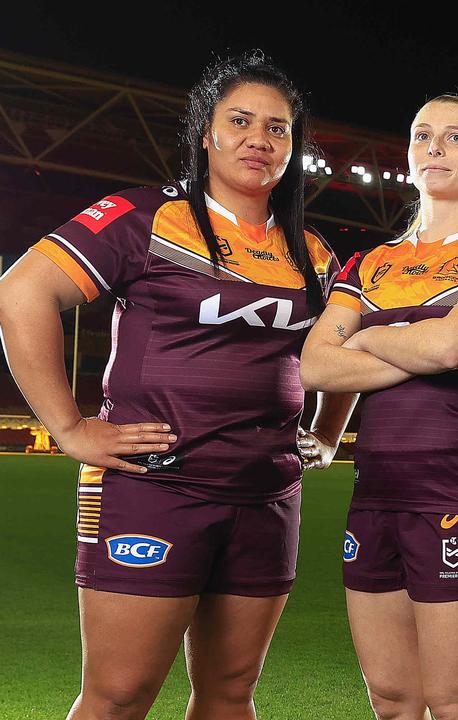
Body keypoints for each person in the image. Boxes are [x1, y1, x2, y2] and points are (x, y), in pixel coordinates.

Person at [0, 51, 352, 720]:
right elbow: (21, 293)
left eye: (278, 128)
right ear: (205, 133)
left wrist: (327, 434)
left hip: (267, 494)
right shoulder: (144, 219)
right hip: (154, 485)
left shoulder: (313, 252)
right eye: (240, 121)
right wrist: (68, 427)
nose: (259, 139)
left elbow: (349, 351)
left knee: (228, 694)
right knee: (119, 695)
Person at [299, 93, 458, 720]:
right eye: (423, 135)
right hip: (376, 495)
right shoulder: (372, 261)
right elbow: (314, 365)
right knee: (393, 701)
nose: (436, 147)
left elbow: (452, 347)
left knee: (455, 703)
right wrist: (406, 348)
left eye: (456, 137)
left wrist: (363, 338)